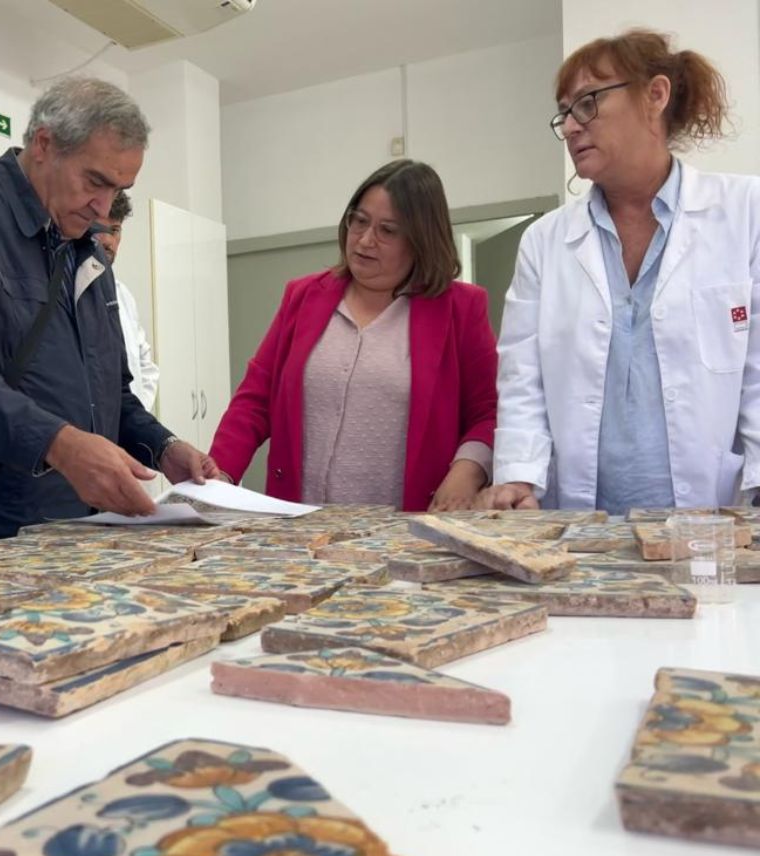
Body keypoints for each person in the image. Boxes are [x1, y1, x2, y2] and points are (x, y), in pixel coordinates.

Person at [0, 77, 217, 542]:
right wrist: (59, 444)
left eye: (119, 189)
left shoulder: (88, 255)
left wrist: (162, 446)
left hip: (78, 530)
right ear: (44, 143)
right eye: (95, 182)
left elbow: (112, 395)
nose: (104, 209)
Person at [482, 29, 760, 513]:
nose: (570, 126)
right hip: (578, 519)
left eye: (587, 103)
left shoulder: (745, 213)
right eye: (564, 112)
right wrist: (519, 478)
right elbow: (523, 380)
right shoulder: (544, 243)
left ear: (655, 95)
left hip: (713, 517)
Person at [209, 159, 498, 511]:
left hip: (407, 527)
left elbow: (488, 412)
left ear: (421, 239)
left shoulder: (460, 310)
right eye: (359, 221)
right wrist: (218, 477)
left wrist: (467, 471)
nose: (364, 240)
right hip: (302, 526)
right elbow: (255, 399)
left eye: (387, 230)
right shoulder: (303, 298)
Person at [94, 191, 160, 411]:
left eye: (114, 230)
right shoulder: (65, 289)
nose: (107, 241)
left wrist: (136, 416)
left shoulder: (123, 295)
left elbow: (145, 364)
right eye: (99, 230)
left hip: (127, 427)